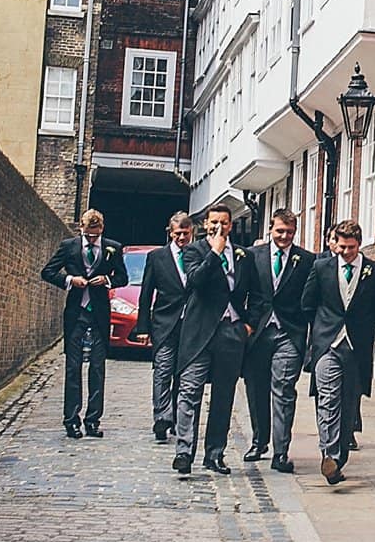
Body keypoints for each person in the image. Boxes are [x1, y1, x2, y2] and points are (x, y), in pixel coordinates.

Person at [298, 218, 375, 485]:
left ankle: (339, 456)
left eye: (350, 247)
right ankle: (329, 453)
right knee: (327, 398)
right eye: (340, 246)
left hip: (357, 347)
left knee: (349, 403)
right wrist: (319, 332)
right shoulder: (321, 267)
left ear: (359, 245)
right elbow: (307, 303)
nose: (344, 252)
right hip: (327, 344)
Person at [173, 204, 255, 475]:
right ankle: (184, 451)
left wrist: (248, 324)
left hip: (231, 332)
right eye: (213, 222)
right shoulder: (194, 251)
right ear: (205, 225)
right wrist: (215, 252)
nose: (218, 226)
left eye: (224, 222)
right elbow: (194, 281)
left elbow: (255, 292)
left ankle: (215, 454)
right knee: (190, 392)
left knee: (223, 396)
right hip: (200, 333)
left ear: (231, 225)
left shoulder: (243, 255)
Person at [40, 210, 129, 439]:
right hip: (76, 313)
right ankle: (71, 420)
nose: (91, 240)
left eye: (95, 236)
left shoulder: (113, 248)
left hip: (99, 313)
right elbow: (48, 272)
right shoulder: (69, 246)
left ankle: (92, 420)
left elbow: (123, 277)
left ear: (102, 230)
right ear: (81, 228)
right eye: (88, 236)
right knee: (73, 368)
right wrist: (70, 280)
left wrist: (107, 280)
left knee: (98, 368)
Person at [240, 208, 315, 472]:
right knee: (257, 389)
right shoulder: (252, 255)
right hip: (258, 333)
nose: (284, 236)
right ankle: (259, 441)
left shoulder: (306, 260)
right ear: (270, 230)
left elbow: (312, 299)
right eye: (280, 231)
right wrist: (244, 325)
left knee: (283, 390)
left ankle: (280, 452)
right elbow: (241, 291)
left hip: (290, 333)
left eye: (290, 232)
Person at [134, 212, 196, 443]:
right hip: (164, 324)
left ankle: (178, 421)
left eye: (185, 234)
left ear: (192, 233)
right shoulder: (157, 257)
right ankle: (161, 417)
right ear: (170, 233)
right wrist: (143, 327)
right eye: (178, 233)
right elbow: (146, 293)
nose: (182, 238)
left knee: (182, 376)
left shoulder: (197, 255)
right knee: (162, 371)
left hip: (190, 325)